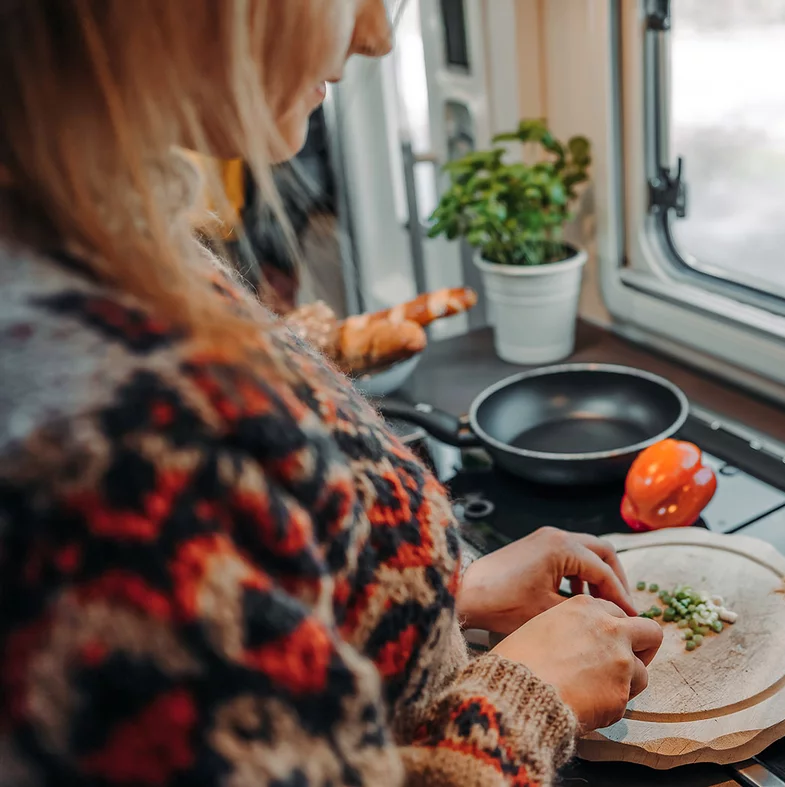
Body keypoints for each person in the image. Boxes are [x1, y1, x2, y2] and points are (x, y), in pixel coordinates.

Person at [0, 2, 662, 785]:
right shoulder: (95, 433)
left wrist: (448, 595)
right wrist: (528, 696)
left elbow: (251, 613)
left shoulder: (89, 234)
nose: (378, 34)